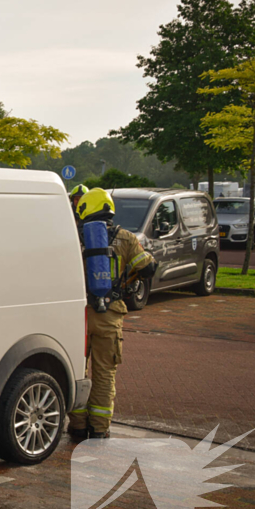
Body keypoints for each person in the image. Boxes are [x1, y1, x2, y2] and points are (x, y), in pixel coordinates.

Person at [68, 188, 157, 440]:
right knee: (104, 373)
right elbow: (148, 268)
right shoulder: (125, 238)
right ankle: (99, 428)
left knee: (78, 371)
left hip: (78, 317)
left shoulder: (73, 236)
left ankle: (77, 425)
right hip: (109, 314)